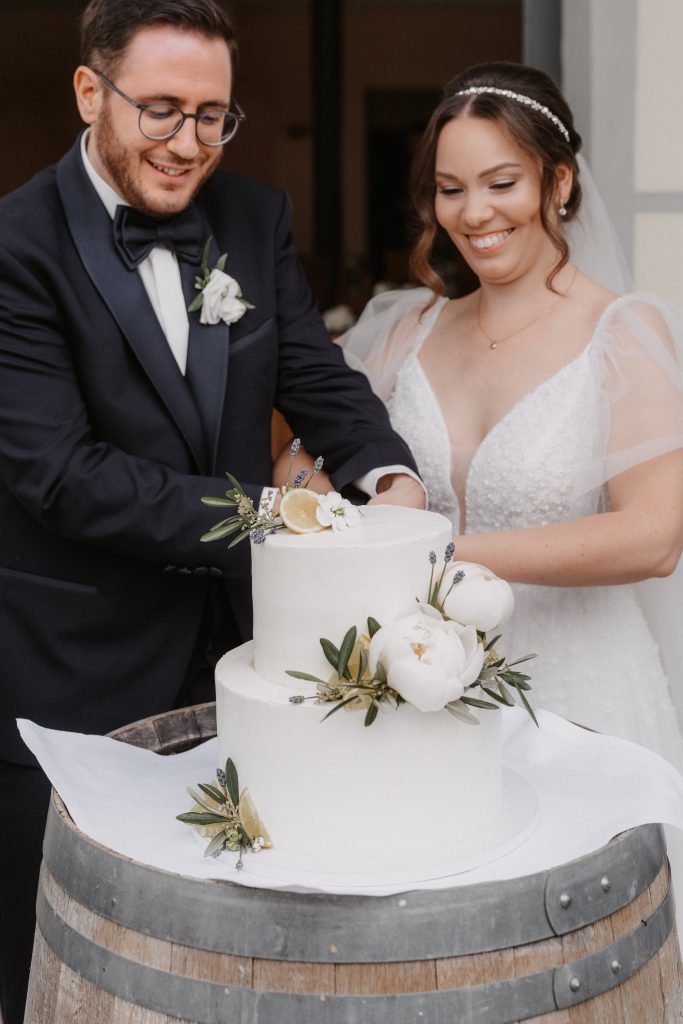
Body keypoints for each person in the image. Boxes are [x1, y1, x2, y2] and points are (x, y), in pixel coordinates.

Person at [0, 2, 424, 1019]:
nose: (190, 143)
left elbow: (316, 380)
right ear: (89, 92)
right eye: (162, 111)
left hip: (243, 655)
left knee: (224, 951)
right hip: (74, 667)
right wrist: (274, 514)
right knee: (58, 960)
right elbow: (60, 472)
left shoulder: (252, 217)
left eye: (213, 116)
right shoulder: (14, 243)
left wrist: (389, 477)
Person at [337, 60, 683, 770]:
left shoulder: (622, 334)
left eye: (501, 184)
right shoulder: (408, 329)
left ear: (557, 182)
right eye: (449, 190)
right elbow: (319, 456)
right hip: (418, 691)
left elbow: (654, 538)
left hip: (577, 698)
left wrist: (437, 558)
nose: (473, 214)